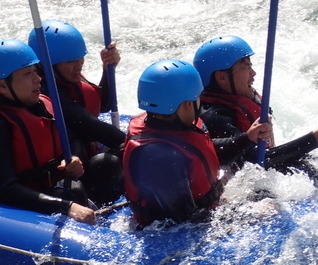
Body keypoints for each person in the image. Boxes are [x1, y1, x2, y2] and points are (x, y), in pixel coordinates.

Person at [123, 59, 232, 228]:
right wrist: (243, 216)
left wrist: (248, 138)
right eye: (197, 99)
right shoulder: (160, 157)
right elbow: (185, 220)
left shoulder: (171, 128)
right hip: (165, 232)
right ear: (188, 104)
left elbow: (200, 149)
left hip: (203, 206)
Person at [28, 20, 125, 206]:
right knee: (110, 161)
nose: (79, 64)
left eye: (81, 58)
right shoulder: (43, 90)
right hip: (63, 177)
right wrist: (134, 146)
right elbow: (87, 123)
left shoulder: (64, 75)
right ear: (47, 64)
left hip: (82, 161)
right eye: (71, 61)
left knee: (111, 161)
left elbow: (100, 105)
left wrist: (107, 70)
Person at [0, 39, 96, 225]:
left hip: (54, 186)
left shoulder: (44, 104)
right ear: (3, 86)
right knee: (73, 191)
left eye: (36, 71)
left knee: (105, 164)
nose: (38, 79)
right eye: (28, 74)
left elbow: (73, 139)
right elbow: (6, 189)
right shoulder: (3, 123)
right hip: (20, 202)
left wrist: (74, 158)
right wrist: (67, 207)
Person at [193, 35, 318, 173]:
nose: (253, 73)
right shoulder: (215, 117)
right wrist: (316, 138)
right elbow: (257, 164)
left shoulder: (239, 97)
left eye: (251, 65)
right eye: (245, 66)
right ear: (222, 77)